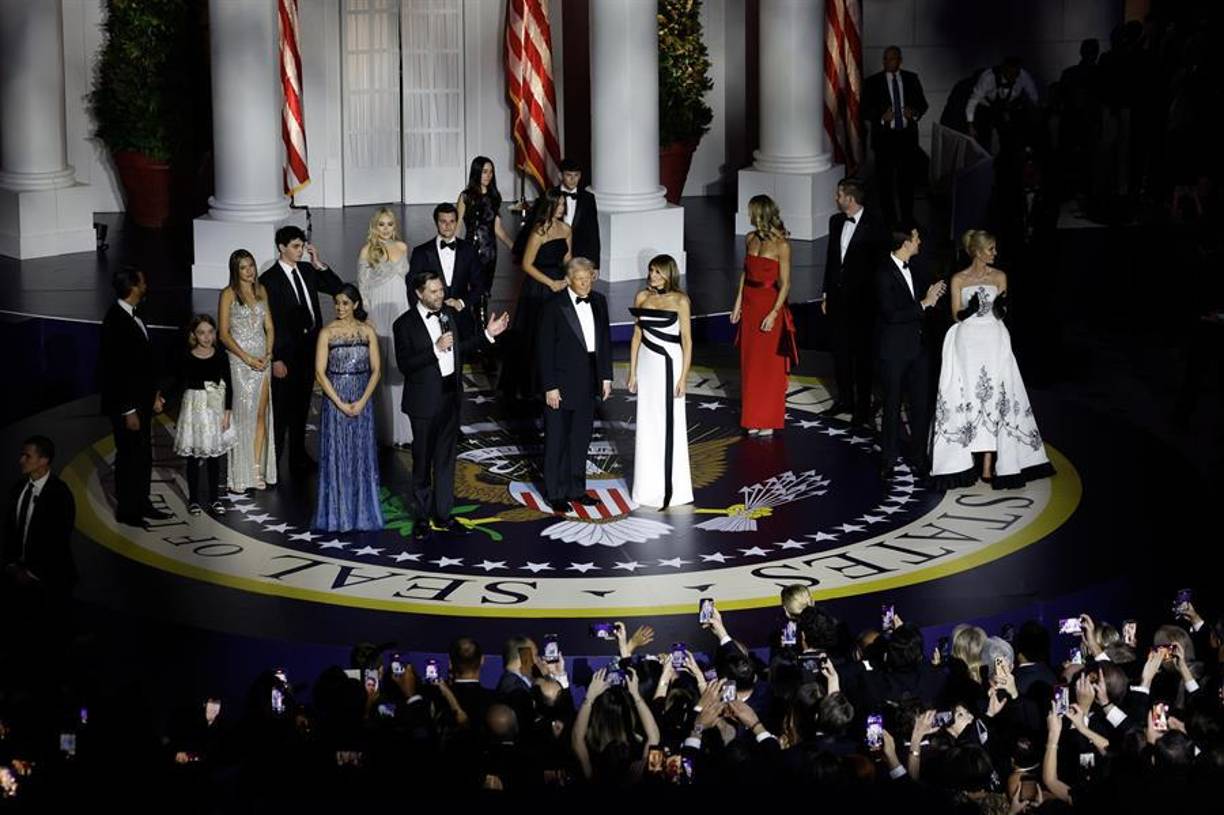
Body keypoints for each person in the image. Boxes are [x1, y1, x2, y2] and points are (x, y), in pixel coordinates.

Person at [930, 230, 1054, 489]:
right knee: (970, 398)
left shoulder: (1000, 277)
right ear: (977, 251)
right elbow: (954, 315)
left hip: (994, 340)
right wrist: (968, 311)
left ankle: (989, 464)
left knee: (997, 396)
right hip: (968, 343)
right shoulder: (958, 279)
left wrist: (1000, 308)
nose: (995, 254)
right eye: (991, 249)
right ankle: (964, 461)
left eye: (995, 249)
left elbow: (1003, 313)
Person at [393, 271, 509, 540]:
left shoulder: (448, 314)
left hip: (451, 397)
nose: (440, 295)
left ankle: (444, 515)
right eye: (433, 291)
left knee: (445, 461)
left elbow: (462, 347)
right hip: (423, 403)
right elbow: (405, 364)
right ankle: (422, 517)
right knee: (422, 462)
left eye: (441, 290)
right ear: (419, 293)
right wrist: (434, 349)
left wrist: (488, 335)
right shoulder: (404, 324)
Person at [260, 225, 344, 474]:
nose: (300, 251)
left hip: (310, 351)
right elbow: (268, 323)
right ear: (281, 248)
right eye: (295, 247)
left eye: (302, 246)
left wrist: (318, 263)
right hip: (286, 355)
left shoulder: (307, 270)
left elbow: (336, 287)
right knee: (282, 410)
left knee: (302, 406)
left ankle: (298, 456)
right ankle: (273, 461)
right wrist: (275, 358)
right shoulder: (269, 280)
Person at [536, 257, 612, 514]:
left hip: (589, 380)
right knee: (557, 440)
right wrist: (550, 386)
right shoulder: (553, 305)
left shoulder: (599, 301)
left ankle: (576, 490)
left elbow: (605, 341)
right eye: (579, 279)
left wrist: (606, 376)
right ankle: (555, 493)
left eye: (588, 277)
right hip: (560, 383)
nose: (584, 283)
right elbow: (544, 349)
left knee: (580, 439)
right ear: (568, 279)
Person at [876, 222, 946, 479]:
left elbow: (926, 304)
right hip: (894, 351)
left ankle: (919, 457)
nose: (919, 242)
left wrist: (933, 300)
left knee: (920, 405)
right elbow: (891, 314)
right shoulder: (883, 272)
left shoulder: (917, 267)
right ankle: (888, 459)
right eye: (916, 238)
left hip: (918, 349)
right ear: (905, 242)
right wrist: (924, 303)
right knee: (892, 406)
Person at [100, 267, 168, 525]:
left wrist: (155, 394)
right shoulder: (115, 321)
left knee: (142, 455)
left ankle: (143, 501)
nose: (146, 286)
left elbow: (144, 363)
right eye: (143, 282)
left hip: (143, 399)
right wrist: (128, 410)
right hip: (126, 405)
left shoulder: (134, 314)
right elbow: (114, 370)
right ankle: (128, 510)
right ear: (133, 287)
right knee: (129, 455)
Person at [312, 285, 383, 532]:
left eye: (344, 303)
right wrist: (340, 403)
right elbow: (320, 374)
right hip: (336, 401)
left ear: (355, 304)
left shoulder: (367, 332)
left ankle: (362, 512)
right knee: (338, 455)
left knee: (360, 455)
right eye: (337, 303)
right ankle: (339, 514)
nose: (340, 308)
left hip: (363, 399)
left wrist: (362, 401)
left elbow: (376, 371)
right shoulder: (327, 333)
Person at [627, 254, 693, 509]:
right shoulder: (642, 297)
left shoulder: (680, 300)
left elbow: (687, 341)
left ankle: (672, 490)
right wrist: (632, 372)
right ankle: (646, 489)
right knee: (647, 422)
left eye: (658, 272)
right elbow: (636, 336)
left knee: (670, 424)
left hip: (670, 365)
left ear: (669, 274)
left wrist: (683, 377)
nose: (652, 276)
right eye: (651, 270)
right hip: (646, 365)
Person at [732, 195, 798, 436]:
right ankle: (752, 417)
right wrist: (738, 301)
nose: (749, 216)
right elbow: (745, 272)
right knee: (750, 363)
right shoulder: (750, 239)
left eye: (752, 212)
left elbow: (786, 284)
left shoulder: (782, 245)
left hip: (769, 305)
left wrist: (774, 313)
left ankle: (767, 418)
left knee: (768, 365)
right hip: (750, 306)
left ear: (761, 215)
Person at [821, 178, 882, 427]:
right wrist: (825, 292)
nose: (836, 199)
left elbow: (879, 267)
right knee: (840, 354)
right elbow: (831, 259)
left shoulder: (875, 225)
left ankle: (863, 408)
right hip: (837, 299)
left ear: (850, 198)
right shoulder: (835, 222)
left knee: (862, 357)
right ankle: (844, 400)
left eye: (839, 195)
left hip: (863, 303)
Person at [504, 189, 571, 401]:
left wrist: (571, 278)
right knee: (534, 334)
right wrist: (550, 283)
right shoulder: (538, 232)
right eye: (558, 204)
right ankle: (531, 383)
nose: (561, 208)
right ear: (549, 205)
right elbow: (526, 264)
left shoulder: (567, 230)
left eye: (563, 205)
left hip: (560, 285)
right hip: (539, 286)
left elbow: (568, 259)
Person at [218, 249, 277, 492]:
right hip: (241, 362)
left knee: (261, 415)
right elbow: (223, 333)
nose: (250, 271)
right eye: (244, 267)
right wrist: (247, 358)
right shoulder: (228, 294)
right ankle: (240, 474)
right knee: (243, 416)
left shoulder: (261, 291)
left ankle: (256, 469)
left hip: (263, 361)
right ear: (236, 271)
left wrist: (269, 353)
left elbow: (270, 327)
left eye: (251, 265)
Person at [356, 207, 413, 449]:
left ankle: (404, 430)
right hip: (379, 311)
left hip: (401, 309)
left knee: (400, 367)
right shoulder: (367, 251)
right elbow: (362, 286)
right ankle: (383, 430)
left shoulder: (403, 248)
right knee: (379, 369)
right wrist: (368, 314)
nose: (386, 229)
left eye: (390, 224)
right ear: (374, 226)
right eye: (382, 224)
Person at [173, 315, 235, 515]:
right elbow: (177, 382)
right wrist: (161, 397)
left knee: (213, 457)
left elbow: (230, 383)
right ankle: (193, 500)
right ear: (194, 335)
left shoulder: (220, 355)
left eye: (210, 332)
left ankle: (214, 499)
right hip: (193, 409)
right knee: (193, 457)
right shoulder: (186, 356)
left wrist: (227, 412)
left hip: (214, 408)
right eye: (201, 332)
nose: (206, 337)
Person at [2, 436, 76, 600]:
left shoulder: (60, 495)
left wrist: (32, 574)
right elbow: (8, 529)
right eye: (22, 455)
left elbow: (58, 541)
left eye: (27, 456)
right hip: (13, 574)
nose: (21, 460)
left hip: (47, 581)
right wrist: (11, 565)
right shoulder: (17, 488)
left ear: (43, 460)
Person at [862, 46, 929, 224]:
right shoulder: (872, 82)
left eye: (891, 59)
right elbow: (864, 109)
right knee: (885, 183)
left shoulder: (911, 79)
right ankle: (889, 220)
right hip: (884, 139)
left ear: (899, 60)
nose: (887, 62)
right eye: (885, 59)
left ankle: (908, 218)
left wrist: (913, 113)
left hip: (907, 138)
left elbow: (923, 104)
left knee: (906, 182)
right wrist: (880, 117)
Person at [407, 203, 482, 339]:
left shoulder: (469, 250)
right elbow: (412, 286)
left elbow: (480, 285)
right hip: (431, 320)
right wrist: (422, 316)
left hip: (462, 320)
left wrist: (461, 302)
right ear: (436, 223)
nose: (448, 226)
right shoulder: (421, 252)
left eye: (452, 221)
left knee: (464, 359)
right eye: (443, 221)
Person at [456, 156, 514, 322]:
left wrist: (513, 246)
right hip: (471, 249)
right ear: (476, 173)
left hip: (490, 251)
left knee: (485, 291)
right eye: (484, 172)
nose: (488, 175)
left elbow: (497, 228)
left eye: (490, 172)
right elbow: (458, 224)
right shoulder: (465, 196)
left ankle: (480, 330)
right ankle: (479, 329)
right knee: (475, 290)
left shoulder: (495, 196)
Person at [966, 56, 1040, 154]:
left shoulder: (1023, 76)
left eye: (1016, 74)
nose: (1013, 77)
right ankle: (985, 159)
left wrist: (1036, 115)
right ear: (1003, 70)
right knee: (983, 136)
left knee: (1010, 135)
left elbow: (1033, 96)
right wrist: (970, 124)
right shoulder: (988, 77)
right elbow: (973, 101)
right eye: (1010, 74)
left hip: (1007, 107)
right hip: (986, 107)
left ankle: (1008, 158)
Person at [554, 158, 600, 269]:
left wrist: (595, 265)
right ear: (560, 176)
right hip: (554, 256)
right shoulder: (550, 195)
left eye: (576, 175)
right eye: (569, 175)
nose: (573, 179)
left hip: (580, 256)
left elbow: (593, 233)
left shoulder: (588, 198)